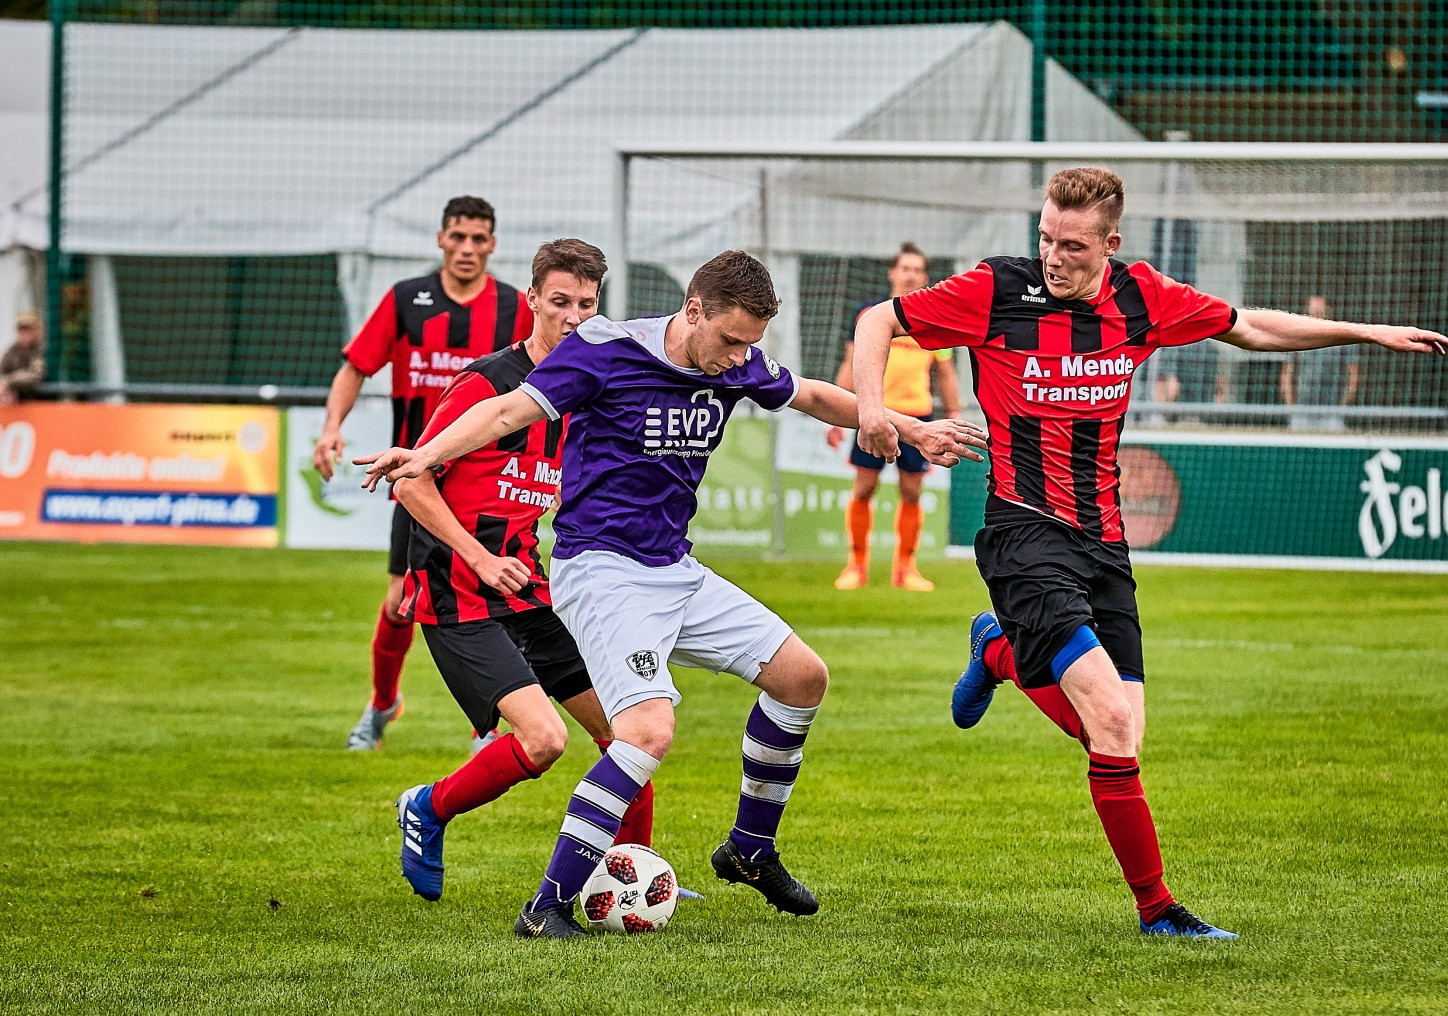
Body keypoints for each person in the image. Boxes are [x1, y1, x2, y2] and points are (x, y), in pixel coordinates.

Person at [850, 167, 1448, 940]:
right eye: (1045, 238)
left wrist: (1362, 331)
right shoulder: (996, 290)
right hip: (1023, 530)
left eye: (1071, 244)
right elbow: (878, 319)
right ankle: (1158, 911)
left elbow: (1250, 327)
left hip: (1104, 540)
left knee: (1119, 730)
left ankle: (997, 652)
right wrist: (876, 411)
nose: (1053, 256)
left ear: (1110, 243)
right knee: (1105, 713)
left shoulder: (1141, 296)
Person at [358, 250, 987, 939]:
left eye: (751, 344)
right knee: (646, 731)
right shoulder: (603, 349)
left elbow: (807, 394)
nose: (739, 357)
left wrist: (910, 424)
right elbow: (509, 408)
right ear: (694, 312)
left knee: (803, 676)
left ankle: (749, 848)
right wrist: (425, 456)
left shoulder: (736, 358)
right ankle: (545, 909)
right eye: (730, 340)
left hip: (671, 568)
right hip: (600, 569)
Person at [387, 239, 657, 901]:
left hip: (531, 589)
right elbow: (412, 482)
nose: (571, 315)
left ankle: (637, 877)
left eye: (585, 305)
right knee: (543, 740)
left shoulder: (584, 391)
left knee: (629, 732)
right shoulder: (486, 384)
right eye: (558, 301)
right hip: (456, 593)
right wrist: (479, 558)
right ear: (531, 299)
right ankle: (428, 806)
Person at [312, 196, 533, 752]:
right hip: (419, 481)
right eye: (457, 237)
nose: (466, 249)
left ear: (492, 245)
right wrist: (330, 428)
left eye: (478, 239)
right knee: (399, 605)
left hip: (491, 481)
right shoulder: (407, 300)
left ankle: (486, 729)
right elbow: (356, 366)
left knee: (496, 597)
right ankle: (383, 703)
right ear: (440, 239)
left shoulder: (515, 308)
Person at [826, 242, 963, 591]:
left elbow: (945, 374)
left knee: (912, 492)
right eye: (906, 268)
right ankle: (856, 565)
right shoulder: (869, 315)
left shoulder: (935, 321)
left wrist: (953, 412)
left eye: (918, 269)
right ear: (893, 273)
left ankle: (906, 569)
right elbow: (851, 364)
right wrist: (834, 417)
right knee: (865, 487)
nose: (911, 275)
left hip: (917, 416)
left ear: (925, 276)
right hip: (873, 413)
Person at [1283, 295, 1361, 431]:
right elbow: (1287, 372)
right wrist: (1291, 404)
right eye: (1313, 310)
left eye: (1320, 310)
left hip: (1332, 409)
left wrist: (1344, 404)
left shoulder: (1341, 338)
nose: (1317, 314)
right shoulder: (1296, 337)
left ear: (1328, 311)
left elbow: (1353, 373)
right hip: (1302, 408)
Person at [0, 311, 45, 406]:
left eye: (29, 329)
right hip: (18, 405)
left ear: (38, 330)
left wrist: (9, 383)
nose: (24, 333)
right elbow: (1, 372)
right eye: (21, 329)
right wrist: (6, 389)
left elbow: (35, 375)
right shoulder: (12, 350)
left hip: (43, 403)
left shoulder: (44, 349)